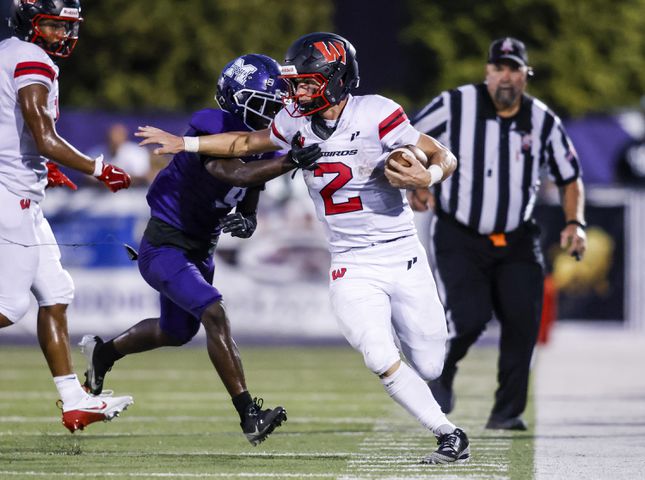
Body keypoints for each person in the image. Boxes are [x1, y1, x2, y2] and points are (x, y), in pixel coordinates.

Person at [137, 32, 471, 465]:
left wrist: (428, 176)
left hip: (402, 253)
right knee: (377, 354)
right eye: (296, 84)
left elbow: (442, 154)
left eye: (308, 83)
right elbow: (246, 144)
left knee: (429, 366)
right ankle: (448, 433)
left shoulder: (376, 112)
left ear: (335, 78)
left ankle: (427, 386)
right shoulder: (294, 119)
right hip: (352, 263)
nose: (297, 93)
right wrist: (187, 144)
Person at [79, 53, 321, 446]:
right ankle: (249, 415)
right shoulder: (212, 127)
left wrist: (248, 214)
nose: (277, 106)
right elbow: (235, 171)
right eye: (266, 100)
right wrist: (289, 162)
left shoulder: (264, 137)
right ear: (238, 99)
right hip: (165, 244)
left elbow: (252, 180)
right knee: (214, 312)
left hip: (201, 247)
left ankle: (103, 355)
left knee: (175, 331)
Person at [397, 37, 587, 430]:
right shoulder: (456, 104)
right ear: (487, 73)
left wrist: (575, 223)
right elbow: (407, 138)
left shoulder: (542, 120)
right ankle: (443, 373)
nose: (505, 76)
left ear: (525, 75)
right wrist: (418, 181)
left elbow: (570, 177)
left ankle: (507, 412)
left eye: (513, 69)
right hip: (461, 234)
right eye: (498, 68)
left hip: (517, 237)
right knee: (469, 317)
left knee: (523, 321)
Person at [0, 0, 134, 432]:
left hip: (20, 191)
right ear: (30, 22)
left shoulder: (8, 52)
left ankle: (75, 400)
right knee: (10, 305)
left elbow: (21, 132)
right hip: (9, 194)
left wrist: (40, 165)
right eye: (54, 25)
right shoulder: (30, 58)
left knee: (56, 292)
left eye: (66, 26)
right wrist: (99, 168)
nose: (62, 34)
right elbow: (43, 135)